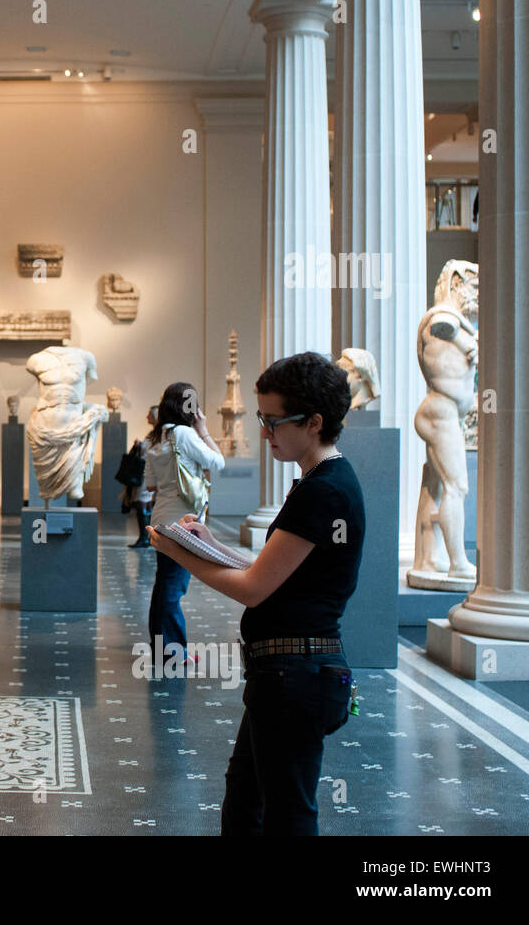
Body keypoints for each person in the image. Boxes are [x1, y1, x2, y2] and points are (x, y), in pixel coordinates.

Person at [147, 351, 363, 836]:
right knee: (248, 804)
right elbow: (273, 569)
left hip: (297, 676)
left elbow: (253, 588)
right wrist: (210, 544)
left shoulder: (323, 491)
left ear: (313, 422)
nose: (263, 433)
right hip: (290, 672)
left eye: (271, 422)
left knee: (284, 814)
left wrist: (178, 553)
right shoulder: (320, 482)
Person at [143, 383, 225, 663]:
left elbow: (151, 484)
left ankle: (163, 649)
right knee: (173, 587)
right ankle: (172, 652)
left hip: (161, 518)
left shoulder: (154, 438)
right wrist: (203, 431)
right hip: (183, 522)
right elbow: (218, 462)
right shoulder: (185, 434)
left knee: (165, 584)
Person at [125, 405, 159, 547]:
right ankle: (146, 536)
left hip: (148, 472)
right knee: (144, 502)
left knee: (142, 501)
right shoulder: (153, 434)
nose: (147, 417)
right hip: (146, 471)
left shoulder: (158, 434)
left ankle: (145, 537)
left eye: (149, 414)